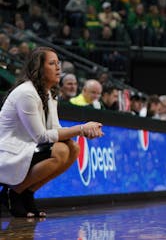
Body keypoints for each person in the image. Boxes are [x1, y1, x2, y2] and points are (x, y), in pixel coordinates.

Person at [0, 47, 104, 217]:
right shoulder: (27, 93)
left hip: (27, 147)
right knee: (60, 150)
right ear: (39, 68)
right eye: (52, 63)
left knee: (73, 149)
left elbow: (54, 128)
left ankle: (27, 192)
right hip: (8, 152)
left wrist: (83, 131)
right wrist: (81, 128)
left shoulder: (49, 94)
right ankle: (12, 192)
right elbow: (41, 137)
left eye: (58, 63)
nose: (58, 68)